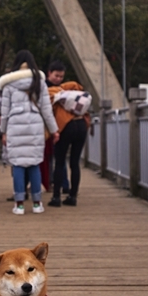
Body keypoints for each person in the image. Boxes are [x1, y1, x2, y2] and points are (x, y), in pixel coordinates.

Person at [0, 50, 59, 216]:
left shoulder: (9, 85)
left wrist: (3, 132)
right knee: (34, 163)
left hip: (15, 127)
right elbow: (47, 110)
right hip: (35, 127)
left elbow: (5, 112)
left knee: (18, 164)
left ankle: (19, 204)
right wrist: (54, 130)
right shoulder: (40, 83)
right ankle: (37, 203)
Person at [47, 78, 90, 207]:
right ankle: (73, 196)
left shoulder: (55, 94)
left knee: (60, 162)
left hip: (66, 127)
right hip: (81, 125)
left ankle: (56, 198)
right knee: (75, 162)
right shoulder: (75, 92)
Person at [40, 60, 70, 194]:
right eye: (56, 76)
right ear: (49, 74)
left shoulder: (64, 88)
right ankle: (51, 182)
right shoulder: (43, 88)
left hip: (59, 126)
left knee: (59, 156)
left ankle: (63, 184)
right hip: (46, 127)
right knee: (48, 157)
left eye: (61, 77)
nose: (58, 79)